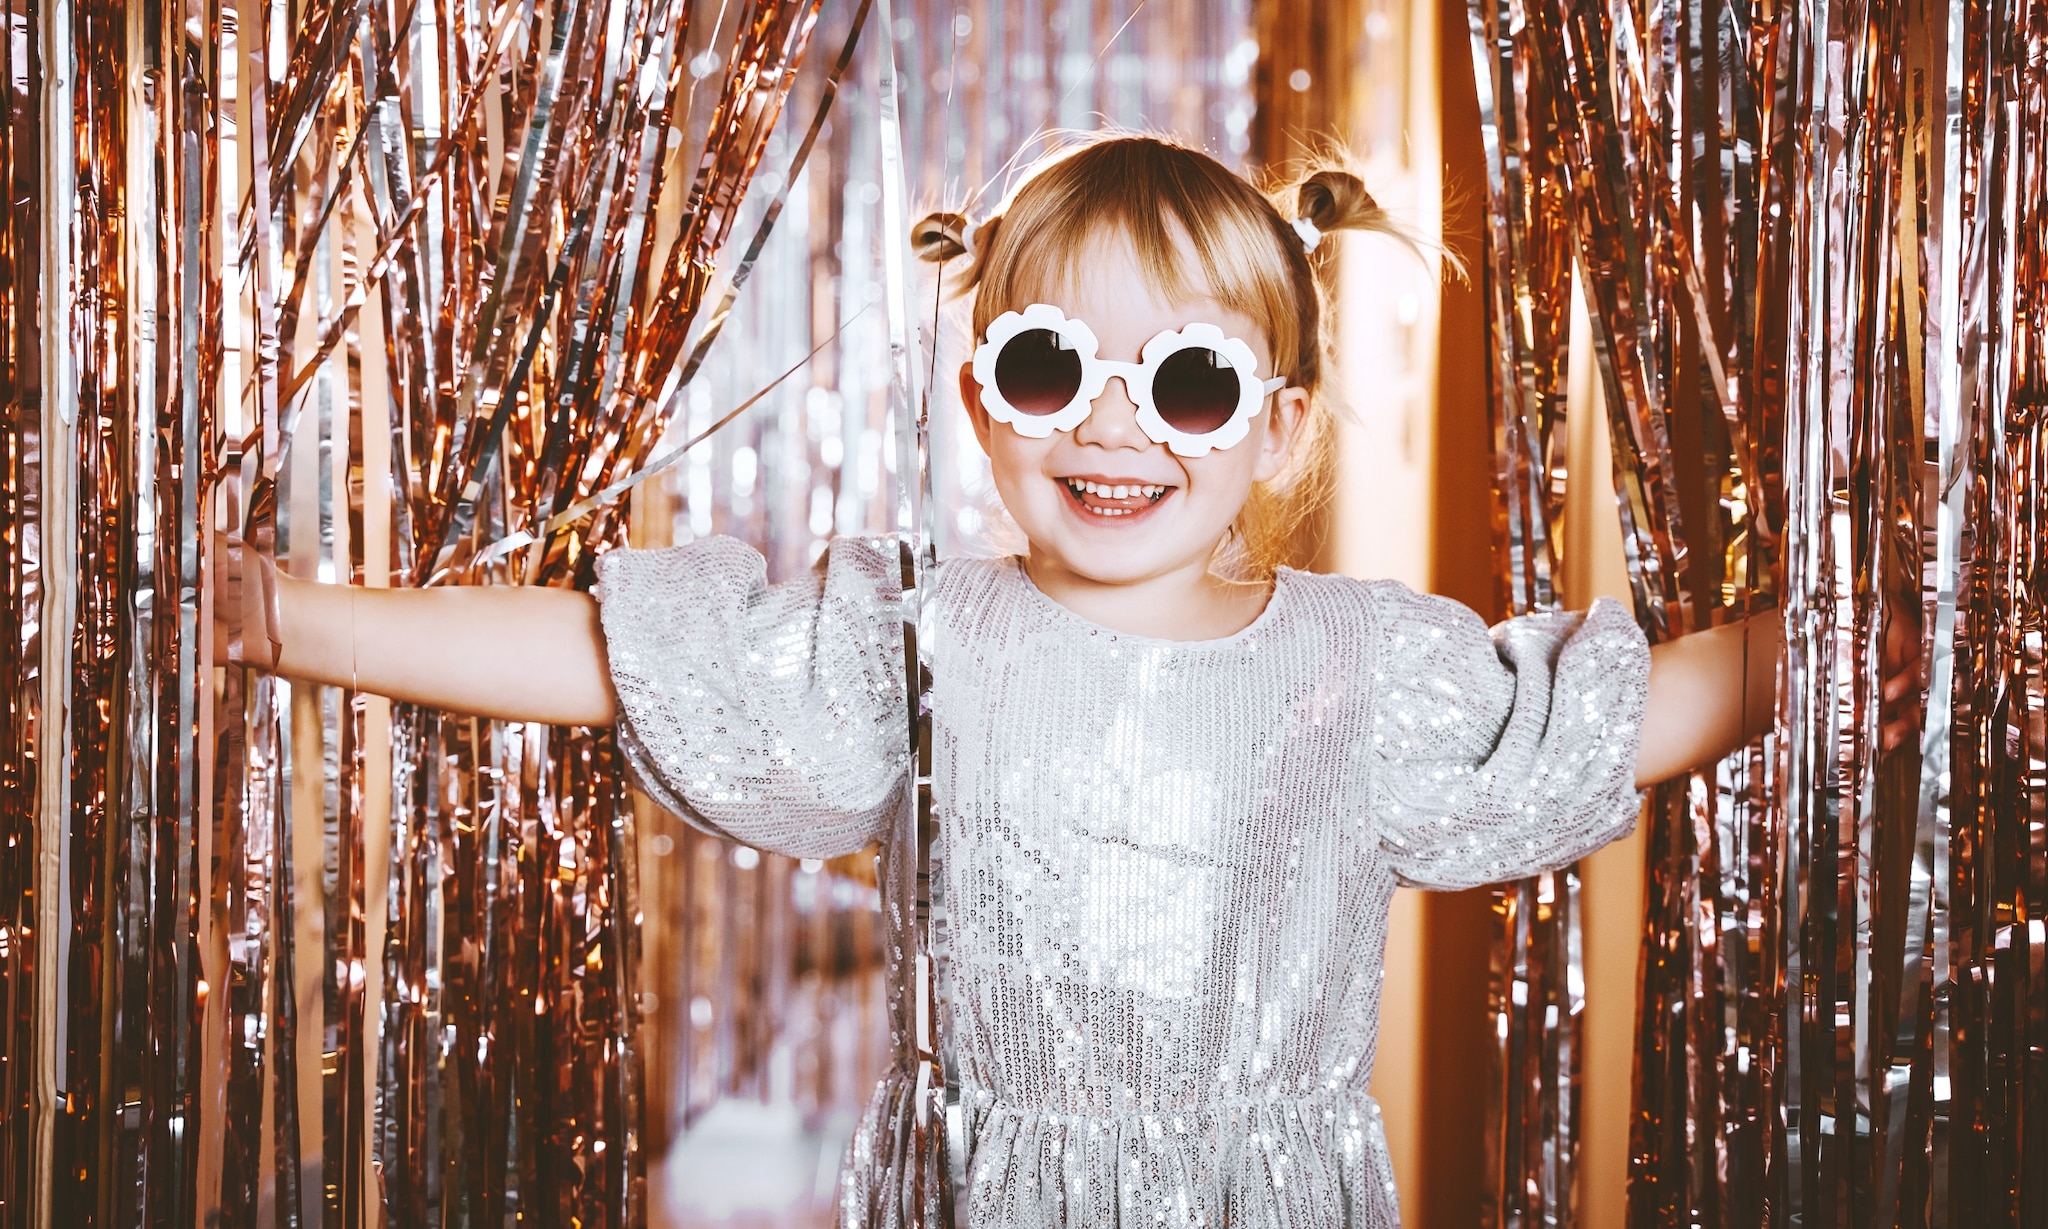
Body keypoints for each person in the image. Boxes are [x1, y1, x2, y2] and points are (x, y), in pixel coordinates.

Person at [223, 135, 1779, 1227]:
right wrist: (296, 620)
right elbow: (615, 655)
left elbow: (1606, 715)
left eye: (1188, 380)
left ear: (1281, 427)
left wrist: (1810, 654)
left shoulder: (1365, 663)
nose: (1115, 430)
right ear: (983, 401)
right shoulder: (915, 635)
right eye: (1052, 368)